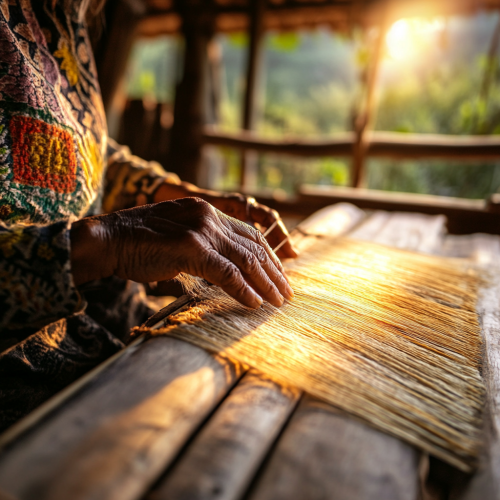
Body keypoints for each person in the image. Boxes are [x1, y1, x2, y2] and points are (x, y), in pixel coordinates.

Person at [0, 0, 296, 432]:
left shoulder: (61, 16)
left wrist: (179, 196)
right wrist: (111, 241)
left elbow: (85, 149)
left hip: (104, 321)